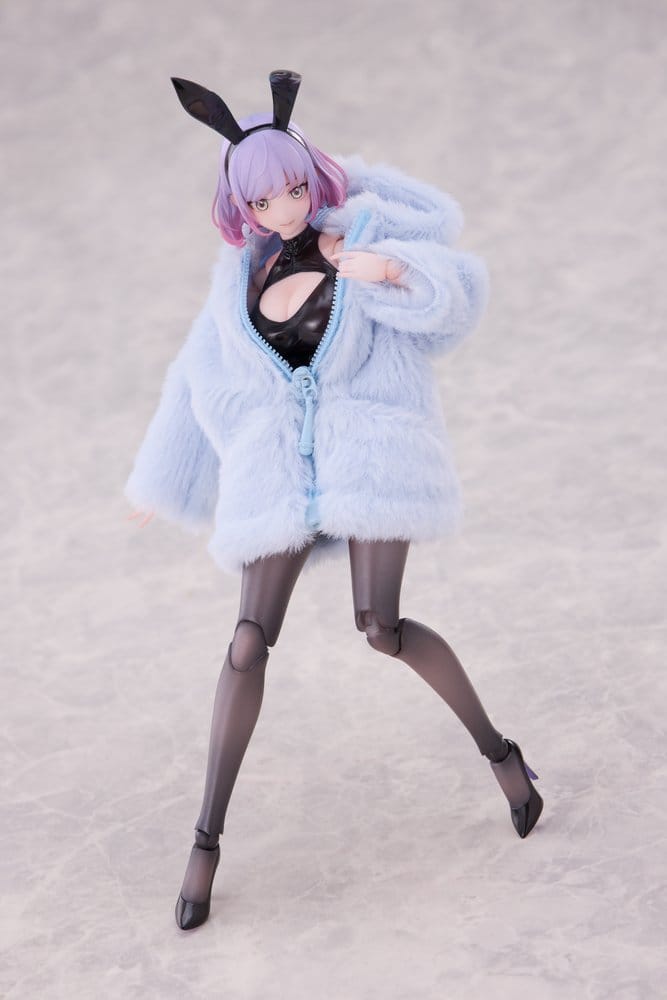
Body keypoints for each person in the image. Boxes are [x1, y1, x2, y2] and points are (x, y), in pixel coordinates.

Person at [124, 70, 543, 931]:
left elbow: (454, 297)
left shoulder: (364, 236)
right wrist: (159, 479)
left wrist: (391, 270)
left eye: (292, 188)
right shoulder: (238, 277)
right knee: (247, 643)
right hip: (277, 474)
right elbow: (195, 375)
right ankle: (205, 841)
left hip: (372, 455)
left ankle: (502, 756)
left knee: (379, 628)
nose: (282, 207)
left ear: (311, 177)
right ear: (241, 205)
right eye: (263, 198)